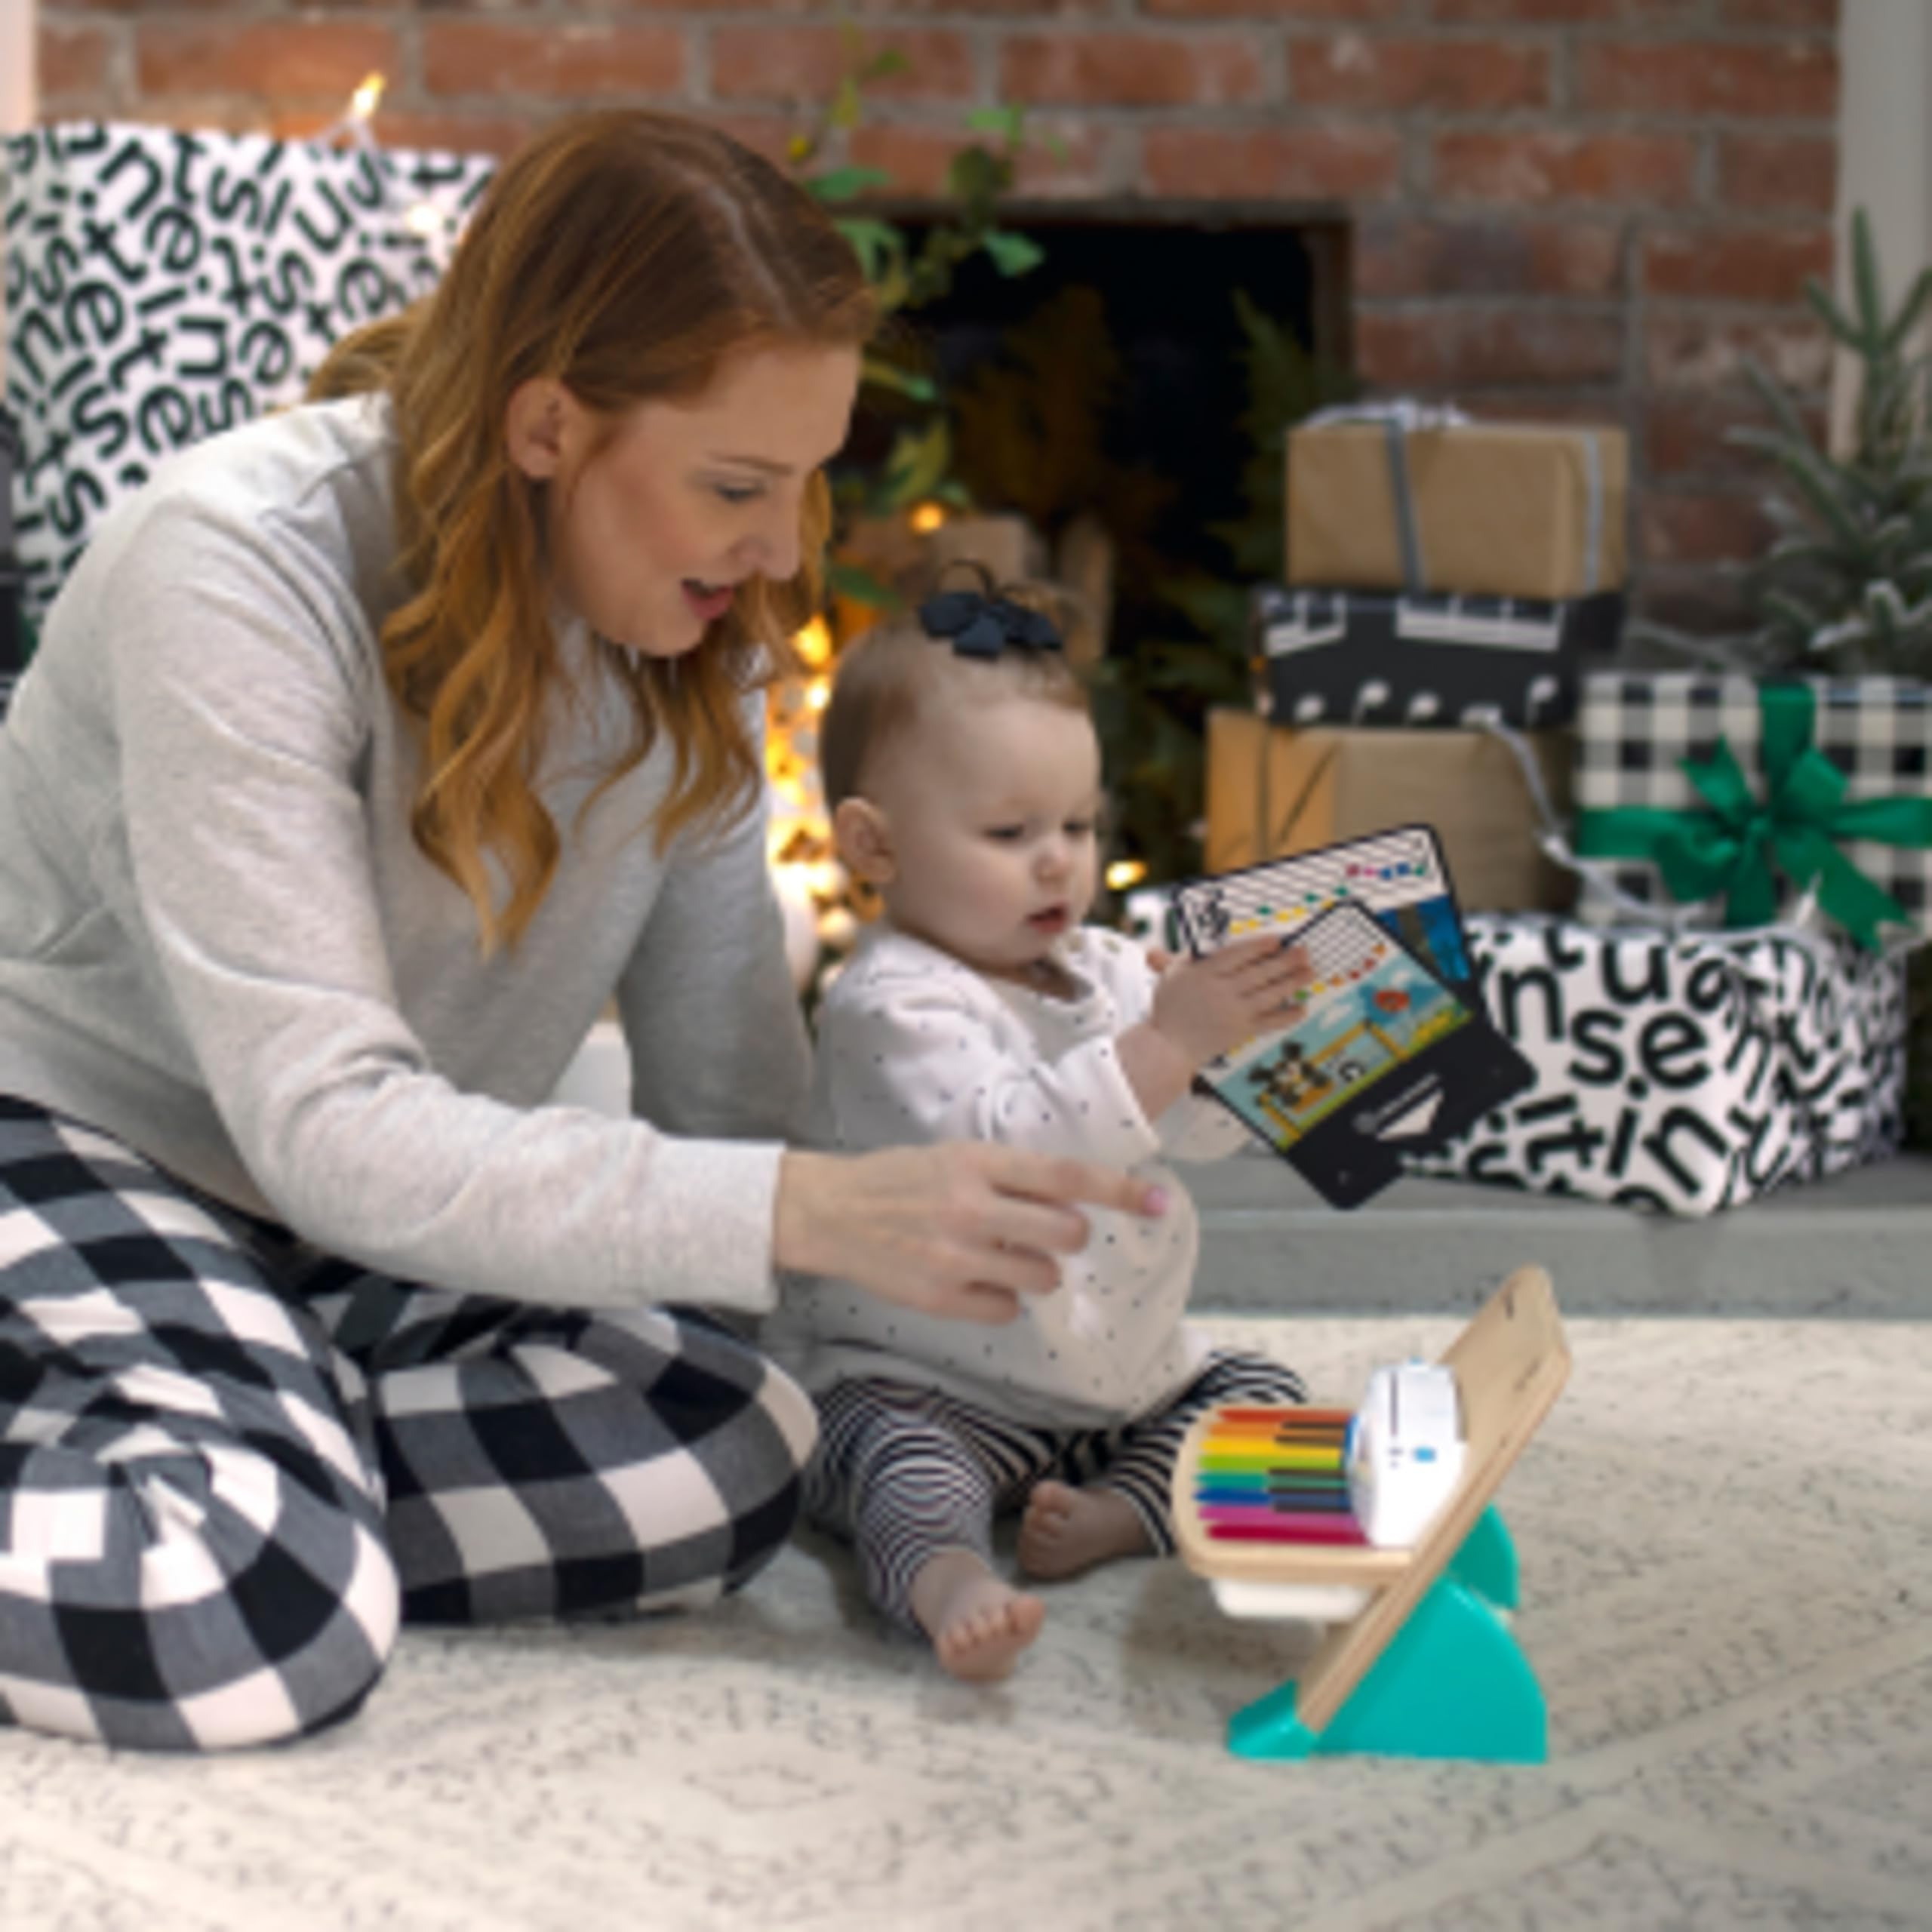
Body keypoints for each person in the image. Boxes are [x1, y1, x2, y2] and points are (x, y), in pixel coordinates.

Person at [0, 111, 1164, 1753]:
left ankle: (230, 1425)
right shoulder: (234, 572)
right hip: (77, 1137)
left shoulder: (690, 639)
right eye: (738, 485)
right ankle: (244, 1473)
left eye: (810, 478)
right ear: (547, 424)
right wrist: (808, 1205)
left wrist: (929, 1354)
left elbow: (727, 1110)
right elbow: (326, 1124)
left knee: (736, 1436)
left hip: (330, 1231)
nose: (780, 553)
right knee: (253, 1608)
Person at [768, 579, 1314, 1682]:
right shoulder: (890, 1005)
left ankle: (1120, 1509)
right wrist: (1166, 1045)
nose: (1060, 859)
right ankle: (951, 1578)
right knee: (891, 1464)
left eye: (1077, 824)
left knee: (1264, 1399)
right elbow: (1012, 1146)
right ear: (875, 847)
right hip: (932, 1385)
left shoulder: (1106, 968)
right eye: (1011, 832)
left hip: (1122, 1381)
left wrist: (1224, 1050)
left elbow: (1195, 1136)